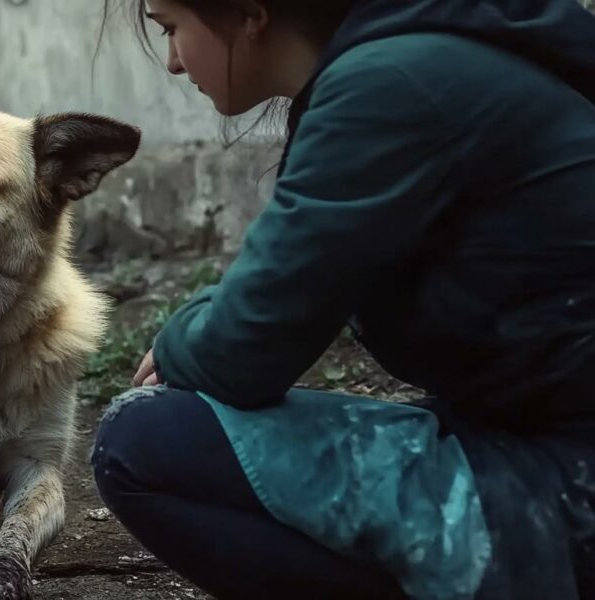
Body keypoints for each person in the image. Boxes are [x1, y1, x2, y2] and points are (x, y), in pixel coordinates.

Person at [89, 0, 595, 598]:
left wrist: (178, 338)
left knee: (143, 442)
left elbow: (243, 349)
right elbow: (275, 288)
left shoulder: (388, 85)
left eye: (172, 28)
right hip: (535, 432)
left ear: (250, 14)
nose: (173, 62)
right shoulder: (411, 62)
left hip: (568, 480)